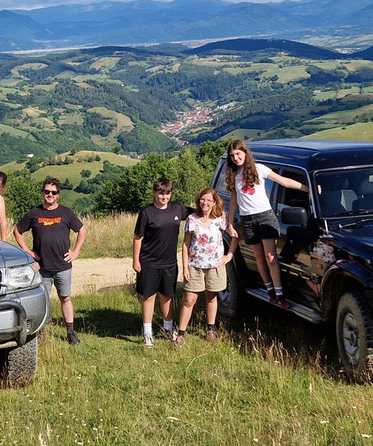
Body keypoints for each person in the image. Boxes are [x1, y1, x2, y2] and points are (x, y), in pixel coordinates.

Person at [224, 139, 308, 307]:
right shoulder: (234, 176)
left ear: (245, 153)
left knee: (271, 258)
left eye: (238, 154)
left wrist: (309, 189)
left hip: (265, 216)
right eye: (232, 156)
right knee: (259, 258)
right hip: (247, 219)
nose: (235, 158)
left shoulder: (259, 169)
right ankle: (270, 291)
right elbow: (234, 200)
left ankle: (280, 295)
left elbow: (283, 181)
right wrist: (230, 222)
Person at [14, 177, 88, 345]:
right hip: (42, 267)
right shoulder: (34, 213)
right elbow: (17, 231)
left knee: (65, 297)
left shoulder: (66, 213)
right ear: (43, 193)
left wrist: (75, 252)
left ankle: (70, 332)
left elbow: (82, 230)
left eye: (53, 192)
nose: (50, 195)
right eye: (47, 192)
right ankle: (41, 332)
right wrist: (27, 251)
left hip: (63, 266)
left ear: (58, 195)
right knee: (43, 300)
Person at [132, 177, 191, 347]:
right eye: (160, 193)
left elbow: (200, 212)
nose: (163, 197)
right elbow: (138, 237)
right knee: (148, 296)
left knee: (167, 296)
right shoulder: (146, 212)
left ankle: (167, 328)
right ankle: (147, 334)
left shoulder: (178, 209)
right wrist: (136, 260)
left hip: (170, 263)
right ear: (154, 193)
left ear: (170, 194)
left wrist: (220, 213)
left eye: (167, 194)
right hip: (148, 262)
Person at [177, 188, 238, 346]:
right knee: (189, 300)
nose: (205, 203)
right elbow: (185, 245)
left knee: (211, 297)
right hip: (195, 265)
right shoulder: (191, 219)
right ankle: (181, 333)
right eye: (203, 200)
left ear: (214, 202)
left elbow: (234, 236)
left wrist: (229, 256)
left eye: (209, 200)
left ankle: (211, 330)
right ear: (199, 201)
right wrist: (185, 267)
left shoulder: (220, 218)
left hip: (214, 266)